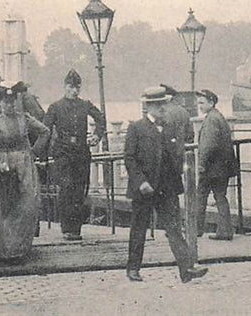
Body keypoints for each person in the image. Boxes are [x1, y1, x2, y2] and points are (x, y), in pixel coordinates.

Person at [124, 86, 206, 283]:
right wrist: (141, 181)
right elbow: (129, 158)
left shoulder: (169, 127)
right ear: (150, 106)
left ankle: (186, 269)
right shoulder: (136, 128)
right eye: (159, 105)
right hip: (144, 189)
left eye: (164, 104)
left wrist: (176, 176)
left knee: (174, 229)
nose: (163, 109)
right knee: (139, 229)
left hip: (166, 188)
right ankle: (133, 269)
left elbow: (175, 156)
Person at [0, 82, 48, 263]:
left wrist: (32, 153)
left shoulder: (24, 119)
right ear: (0, 104)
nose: (9, 106)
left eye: (12, 102)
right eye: (5, 102)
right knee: (3, 206)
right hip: (3, 168)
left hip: (24, 167)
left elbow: (45, 131)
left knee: (26, 205)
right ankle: (3, 250)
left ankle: (21, 249)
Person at [41, 69, 106, 241]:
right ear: (65, 87)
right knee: (66, 188)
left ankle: (76, 229)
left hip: (81, 153)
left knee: (79, 190)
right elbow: (44, 130)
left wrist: (97, 136)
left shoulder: (85, 105)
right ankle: (66, 228)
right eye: (71, 87)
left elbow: (101, 119)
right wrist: (42, 153)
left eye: (77, 87)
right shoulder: (55, 107)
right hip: (63, 153)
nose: (74, 91)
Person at [195, 88, 238, 241]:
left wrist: (201, 164)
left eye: (202, 102)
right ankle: (225, 230)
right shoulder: (217, 117)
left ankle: (196, 229)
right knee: (220, 197)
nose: (199, 106)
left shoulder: (211, 119)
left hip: (212, 167)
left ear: (211, 103)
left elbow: (208, 144)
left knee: (200, 196)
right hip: (222, 167)